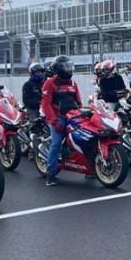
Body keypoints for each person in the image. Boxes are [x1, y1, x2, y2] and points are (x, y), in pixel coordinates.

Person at [41, 55, 81, 186]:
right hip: (58, 117)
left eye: (70, 66)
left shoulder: (73, 83)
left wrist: (80, 112)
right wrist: (54, 121)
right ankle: (50, 173)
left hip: (73, 115)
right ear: (58, 68)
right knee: (56, 143)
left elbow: (79, 101)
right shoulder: (50, 83)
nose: (69, 69)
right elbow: (45, 104)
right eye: (66, 67)